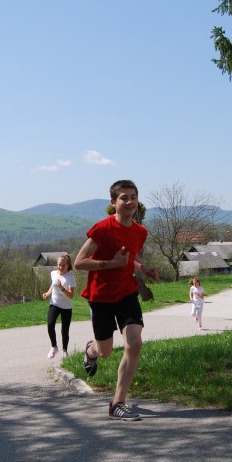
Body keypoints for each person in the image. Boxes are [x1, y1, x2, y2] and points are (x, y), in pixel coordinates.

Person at [74, 179, 158, 421]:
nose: (130, 201)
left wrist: (143, 269)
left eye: (133, 196)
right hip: (100, 296)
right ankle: (91, 351)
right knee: (106, 351)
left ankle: (117, 403)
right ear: (113, 202)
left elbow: (131, 257)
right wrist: (111, 264)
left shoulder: (141, 232)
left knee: (135, 343)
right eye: (124, 197)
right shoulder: (102, 229)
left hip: (126, 294)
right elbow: (79, 262)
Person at [42, 253, 76, 359]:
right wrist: (47, 293)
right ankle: (54, 347)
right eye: (59, 265)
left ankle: (64, 350)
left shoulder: (70, 277)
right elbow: (53, 284)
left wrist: (62, 288)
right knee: (50, 324)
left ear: (68, 265)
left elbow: (71, 295)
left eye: (63, 265)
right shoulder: (53, 273)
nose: (60, 267)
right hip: (55, 304)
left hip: (66, 307)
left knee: (64, 330)